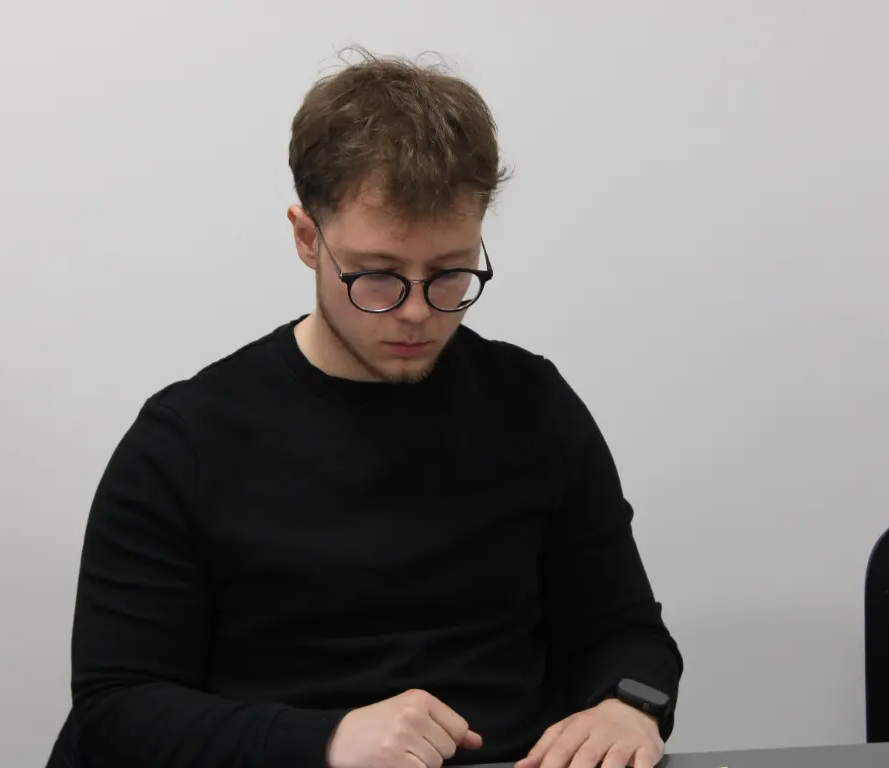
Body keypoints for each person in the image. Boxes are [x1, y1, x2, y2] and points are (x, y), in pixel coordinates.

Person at [67, 48, 683, 768]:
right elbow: (117, 709)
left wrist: (631, 705)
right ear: (308, 239)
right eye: (379, 276)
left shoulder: (533, 406)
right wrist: (325, 740)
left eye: (450, 274)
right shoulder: (186, 441)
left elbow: (627, 632)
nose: (417, 312)